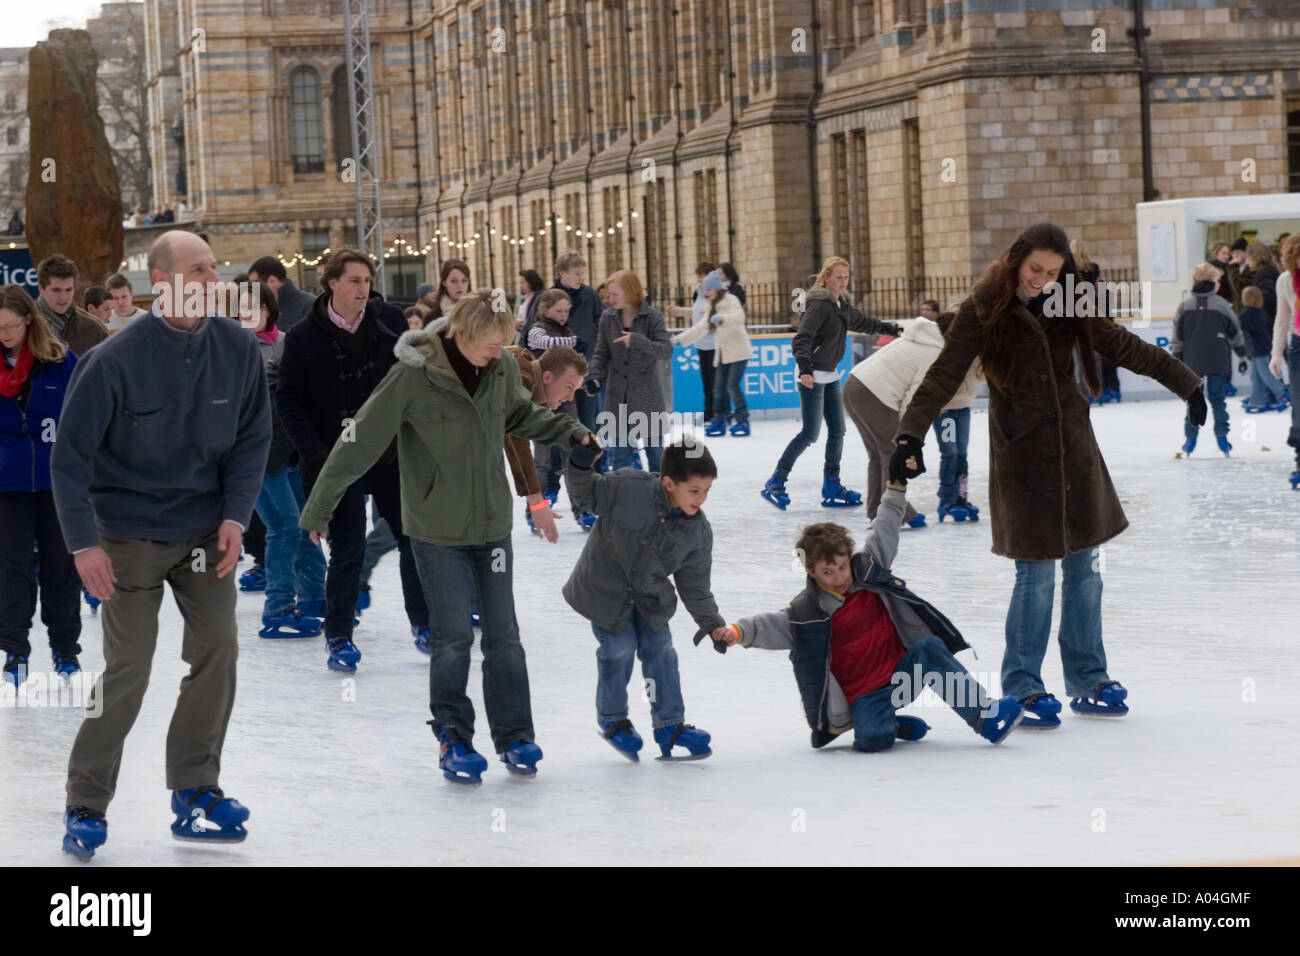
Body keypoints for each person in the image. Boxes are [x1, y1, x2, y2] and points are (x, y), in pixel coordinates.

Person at [892, 222, 1203, 729]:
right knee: (1035, 575)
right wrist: (910, 436)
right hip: (1022, 454)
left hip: (1074, 449)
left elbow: (1121, 345)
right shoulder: (984, 307)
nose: (1042, 280)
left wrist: (1186, 384)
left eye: (1054, 272)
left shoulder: (1070, 300)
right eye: (1035, 269)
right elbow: (944, 374)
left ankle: (1088, 678)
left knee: (1086, 570)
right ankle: (1024, 684)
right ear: (1017, 260)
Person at [299, 290, 596, 783]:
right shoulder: (414, 375)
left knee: (504, 637)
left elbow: (520, 416)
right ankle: (453, 738)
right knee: (454, 637)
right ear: (462, 332)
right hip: (436, 532)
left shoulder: (499, 368)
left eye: (504, 344)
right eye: (490, 343)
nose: (498, 353)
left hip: (492, 528)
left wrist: (570, 433)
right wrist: (320, 506)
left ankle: (516, 736)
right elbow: (360, 439)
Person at [51, 230, 271, 860]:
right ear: (163, 281)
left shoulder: (236, 348)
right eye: (199, 269)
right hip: (128, 536)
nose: (213, 278)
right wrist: (83, 545)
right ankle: (86, 800)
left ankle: (196, 790)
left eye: (212, 268)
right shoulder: (112, 361)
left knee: (218, 651)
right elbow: (69, 461)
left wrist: (235, 517)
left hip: (206, 534)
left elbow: (253, 438)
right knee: (130, 668)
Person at [710, 483, 1024, 751]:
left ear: (850, 558)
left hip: (902, 675)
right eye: (827, 572)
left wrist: (896, 489)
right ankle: (890, 723)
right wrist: (736, 632)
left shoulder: (868, 573)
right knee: (872, 741)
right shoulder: (808, 614)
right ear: (811, 571)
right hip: (866, 697)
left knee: (929, 649)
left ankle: (986, 717)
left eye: (842, 567)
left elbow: (884, 528)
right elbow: (769, 625)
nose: (837, 577)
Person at [276, 248, 431, 671]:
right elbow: (289, 400)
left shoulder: (390, 324)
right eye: (354, 281)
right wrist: (316, 454)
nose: (363, 289)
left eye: (367, 281)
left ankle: (425, 623)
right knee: (348, 549)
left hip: (387, 454)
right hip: (334, 459)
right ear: (332, 284)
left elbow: (413, 382)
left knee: (411, 537)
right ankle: (339, 635)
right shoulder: (303, 336)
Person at [563, 437, 725, 761]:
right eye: (694, 490)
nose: (701, 498)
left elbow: (695, 587)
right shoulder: (627, 487)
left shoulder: (697, 532)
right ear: (669, 483)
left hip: (650, 598)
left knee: (661, 651)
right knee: (618, 650)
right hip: (604, 590)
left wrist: (712, 624)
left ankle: (669, 725)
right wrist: (580, 464)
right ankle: (612, 720)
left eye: (707, 490)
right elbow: (584, 495)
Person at [760, 256, 900, 511]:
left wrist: (892, 329)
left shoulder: (841, 306)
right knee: (810, 433)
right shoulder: (819, 306)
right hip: (811, 375)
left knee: (838, 431)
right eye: (839, 277)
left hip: (831, 375)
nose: (843, 282)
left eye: (846, 277)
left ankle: (831, 485)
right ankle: (776, 482)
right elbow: (801, 339)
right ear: (826, 278)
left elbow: (865, 322)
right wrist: (805, 369)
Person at [0, 285, 82, 686]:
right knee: (12, 569)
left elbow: (88, 412)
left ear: (28, 320)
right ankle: (15, 650)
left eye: (10, 325)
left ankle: (65, 648)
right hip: (7, 486)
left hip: (57, 485)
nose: (4, 334)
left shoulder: (60, 361)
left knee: (61, 568)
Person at [238, 282, 327, 638]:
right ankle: (277, 607)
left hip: (289, 450)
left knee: (306, 524)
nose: (247, 315)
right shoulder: (235, 349)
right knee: (284, 527)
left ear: (269, 311)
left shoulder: (288, 341)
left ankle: (315, 598)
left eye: (254, 308)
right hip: (254, 454)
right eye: (241, 309)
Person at [842, 312, 942, 527]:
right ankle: (895, 513)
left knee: (878, 455)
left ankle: (878, 512)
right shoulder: (934, 353)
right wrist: (908, 433)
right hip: (875, 393)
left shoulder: (919, 336)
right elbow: (914, 399)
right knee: (892, 451)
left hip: (853, 383)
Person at [584, 269, 672, 473]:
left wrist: (638, 341)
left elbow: (666, 351)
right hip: (618, 396)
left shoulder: (652, 317)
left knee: (655, 455)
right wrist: (594, 376)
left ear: (631, 292)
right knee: (620, 455)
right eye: (609, 294)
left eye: (615, 294)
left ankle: (659, 500)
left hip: (647, 395)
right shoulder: (608, 318)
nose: (610, 299)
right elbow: (601, 353)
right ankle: (623, 499)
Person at [502, 344, 588, 539]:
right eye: (568, 387)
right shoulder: (521, 376)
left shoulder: (526, 371)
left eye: (575, 390)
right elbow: (515, 436)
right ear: (547, 377)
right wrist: (536, 501)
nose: (570, 397)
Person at [524, 288, 586, 523]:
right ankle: (535, 508)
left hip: (566, 398)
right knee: (542, 457)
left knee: (572, 452)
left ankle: (581, 507)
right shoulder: (536, 329)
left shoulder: (567, 329)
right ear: (545, 309)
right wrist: (574, 342)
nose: (563, 314)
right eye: (558, 310)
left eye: (566, 311)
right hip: (541, 398)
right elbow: (546, 343)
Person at [1173, 262, 1245, 457]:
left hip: (1192, 362)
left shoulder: (1184, 306)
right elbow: (1235, 331)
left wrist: (1176, 358)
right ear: (1212, 282)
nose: (1219, 284)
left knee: (1193, 401)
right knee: (1218, 401)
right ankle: (1222, 438)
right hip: (1217, 360)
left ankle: (1190, 439)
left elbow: (1177, 337)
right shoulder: (1222, 305)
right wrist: (1242, 354)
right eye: (1217, 280)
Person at [672, 270, 751, 437]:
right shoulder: (710, 305)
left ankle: (742, 420)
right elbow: (702, 327)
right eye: (705, 290)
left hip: (738, 351)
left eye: (709, 289)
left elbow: (739, 317)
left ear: (717, 288)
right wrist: (682, 338)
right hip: (722, 352)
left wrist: (722, 318)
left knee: (732, 386)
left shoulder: (731, 300)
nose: (706, 292)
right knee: (718, 388)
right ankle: (721, 418)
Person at [930, 311, 984, 523]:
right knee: (950, 452)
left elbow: (982, 373)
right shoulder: (935, 352)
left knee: (961, 453)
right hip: (945, 411)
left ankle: (961, 497)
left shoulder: (968, 349)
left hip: (962, 409)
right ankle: (946, 499)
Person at [543, 251, 604, 433]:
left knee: (589, 423)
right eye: (577, 273)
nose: (581, 277)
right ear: (563, 273)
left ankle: (591, 461)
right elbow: (535, 329)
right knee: (560, 424)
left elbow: (601, 328)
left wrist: (597, 367)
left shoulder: (591, 296)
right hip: (558, 371)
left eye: (583, 273)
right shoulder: (548, 297)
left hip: (587, 368)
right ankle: (560, 462)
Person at [666, 262, 719, 424]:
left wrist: (681, 338)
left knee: (714, 381)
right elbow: (697, 314)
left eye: (702, 278)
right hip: (701, 343)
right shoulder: (699, 294)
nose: (700, 282)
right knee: (707, 381)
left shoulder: (715, 296)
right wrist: (679, 311)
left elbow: (708, 322)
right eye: (698, 279)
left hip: (714, 343)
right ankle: (709, 411)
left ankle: (715, 412)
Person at [1072, 238, 1121, 405]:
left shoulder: (1068, 271)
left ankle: (1084, 393)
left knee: (1080, 360)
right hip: (1094, 317)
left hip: (1076, 318)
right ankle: (1097, 392)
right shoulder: (1094, 269)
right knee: (1096, 359)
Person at [1269, 233, 1300, 489]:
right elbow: (1282, 319)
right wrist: (1276, 353)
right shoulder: (1285, 281)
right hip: (1298, 346)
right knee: (1299, 404)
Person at [35, 255, 108, 358]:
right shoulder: (23, 325)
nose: (63, 297)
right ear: (41, 288)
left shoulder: (94, 329)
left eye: (69, 290)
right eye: (56, 290)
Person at [1238, 285, 1288, 413]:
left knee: (1265, 373)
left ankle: (1281, 394)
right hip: (1262, 347)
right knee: (1256, 376)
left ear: (1249, 299)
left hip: (1259, 348)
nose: (1242, 299)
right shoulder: (1260, 311)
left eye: (1244, 297)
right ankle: (1257, 400)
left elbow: (1239, 327)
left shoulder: (1247, 313)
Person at [247, 255, 315, 332]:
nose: (253, 289)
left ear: (271, 280)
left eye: (255, 284)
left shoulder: (310, 305)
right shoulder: (259, 307)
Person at [422, 259, 471, 326]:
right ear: (444, 282)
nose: (460, 286)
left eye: (464, 280)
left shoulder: (479, 311)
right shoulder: (432, 317)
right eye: (453, 281)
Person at [514, 269, 545, 338]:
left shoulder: (539, 297)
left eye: (522, 282)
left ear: (530, 282)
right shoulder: (525, 298)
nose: (520, 286)